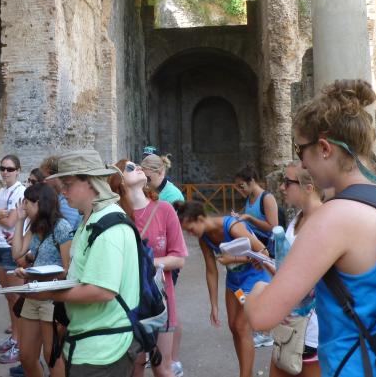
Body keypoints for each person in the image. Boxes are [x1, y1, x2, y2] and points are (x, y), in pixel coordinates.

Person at [245, 79, 376, 377]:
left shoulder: (333, 218)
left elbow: (261, 316)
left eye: (301, 151)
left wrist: (258, 289)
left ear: (323, 148)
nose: (302, 162)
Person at [25, 149, 140, 377]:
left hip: (103, 350)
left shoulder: (109, 226)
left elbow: (102, 291)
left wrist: (48, 293)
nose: (62, 191)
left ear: (91, 182)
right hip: (89, 344)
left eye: (67, 184)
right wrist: (47, 281)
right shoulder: (90, 220)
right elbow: (83, 275)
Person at [173, 200, 271, 377]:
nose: (189, 233)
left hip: (254, 279)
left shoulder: (232, 226)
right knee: (233, 327)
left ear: (201, 218)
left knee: (242, 327)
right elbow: (211, 271)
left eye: (190, 228)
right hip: (234, 282)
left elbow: (263, 253)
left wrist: (232, 259)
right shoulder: (203, 237)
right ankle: (245, 371)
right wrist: (214, 305)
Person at [109, 159, 188, 377]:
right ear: (119, 181)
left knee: (162, 368)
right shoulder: (115, 217)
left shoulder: (164, 209)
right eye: (130, 168)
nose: (138, 168)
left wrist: (147, 262)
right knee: (135, 365)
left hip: (158, 300)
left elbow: (179, 258)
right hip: (127, 303)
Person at [266, 163, 322, 377]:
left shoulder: (323, 222)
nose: (281, 187)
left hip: (310, 327)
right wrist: (265, 261)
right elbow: (288, 271)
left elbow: (309, 280)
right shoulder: (297, 219)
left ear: (308, 187)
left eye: (287, 182)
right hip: (288, 323)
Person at [11, 183, 73, 377]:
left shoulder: (61, 227)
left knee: (51, 356)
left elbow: (67, 270)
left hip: (51, 299)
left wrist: (35, 274)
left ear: (39, 203)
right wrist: (20, 221)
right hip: (32, 295)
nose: (24, 207)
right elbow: (17, 253)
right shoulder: (35, 226)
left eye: (27, 203)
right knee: (26, 356)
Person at [0, 154, 27, 364]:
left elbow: (11, 222)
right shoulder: (2, 191)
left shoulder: (21, 191)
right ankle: (15, 338)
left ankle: (21, 344)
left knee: (17, 300)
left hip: (12, 250)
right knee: (9, 298)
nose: (5, 172)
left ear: (18, 170)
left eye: (10, 169)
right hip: (0, 248)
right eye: (2, 168)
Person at [234, 165, 279, 248]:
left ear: (251, 181)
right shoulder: (249, 197)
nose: (240, 190)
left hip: (264, 245)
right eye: (238, 187)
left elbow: (273, 227)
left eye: (241, 186)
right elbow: (246, 215)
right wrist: (238, 216)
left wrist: (249, 218)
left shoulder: (267, 198)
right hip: (250, 241)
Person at [41, 154, 82, 230]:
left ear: (54, 176)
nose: (43, 181)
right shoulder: (60, 197)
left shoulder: (67, 199)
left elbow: (66, 232)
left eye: (45, 177)